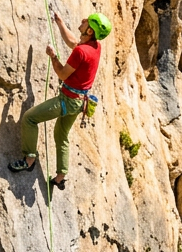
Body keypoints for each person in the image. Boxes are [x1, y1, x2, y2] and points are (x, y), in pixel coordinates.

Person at [9, 11, 111, 189]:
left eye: (87, 21)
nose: (83, 19)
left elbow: (63, 74)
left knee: (30, 118)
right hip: (80, 102)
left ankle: (29, 159)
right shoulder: (95, 47)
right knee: (61, 135)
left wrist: (53, 57)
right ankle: (60, 176)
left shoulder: (81, 52)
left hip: (67, 100)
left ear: (90, 32)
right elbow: (74, 43)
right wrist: (60, 23)